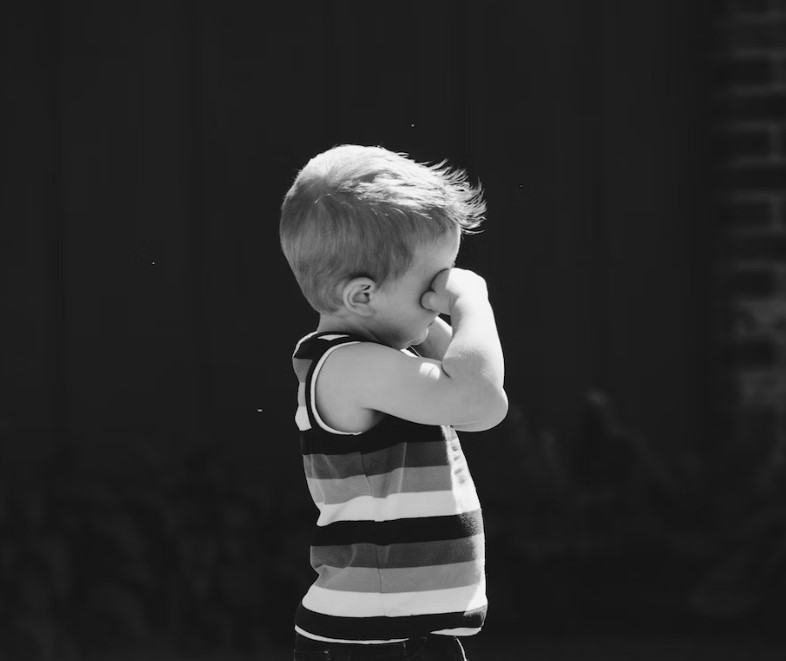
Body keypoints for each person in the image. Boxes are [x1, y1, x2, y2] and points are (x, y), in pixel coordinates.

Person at [279, 144, 507, 661]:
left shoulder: (387, 354)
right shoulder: (348, 366)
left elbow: (480, 402)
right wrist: (473, 300)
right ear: (363, 296)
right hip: (369, 641)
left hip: (405, 634)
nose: (441, 293)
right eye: (432, 282)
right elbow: (479, 399)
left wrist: (435, 317)